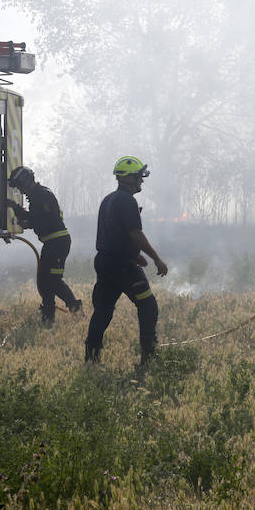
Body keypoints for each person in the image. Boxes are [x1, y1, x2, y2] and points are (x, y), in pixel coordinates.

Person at [84, 156, 168, 364]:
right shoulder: (127, 200)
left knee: (103, 311)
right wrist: (157, 259)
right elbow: (135, 234)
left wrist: (135, 254)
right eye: (139, 176)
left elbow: (115, 232)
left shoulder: (109, 199)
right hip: (121, 266)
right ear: (128, 178)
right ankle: (149, 357)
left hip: (105, 262)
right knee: (148, 305)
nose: (141, 180)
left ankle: (91, 356)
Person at [7, 165, 82, 325]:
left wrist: (30, 223)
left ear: (27, 181)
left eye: (20, 186)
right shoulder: (36, 197)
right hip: (50, 243)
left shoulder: (43, 195)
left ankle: (75, 308)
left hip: (58, 242)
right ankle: (48, 317)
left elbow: (50, 219)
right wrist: (15, 208)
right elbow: (33, 217)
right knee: (44, 281)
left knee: (53, 280)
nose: (20, 191)